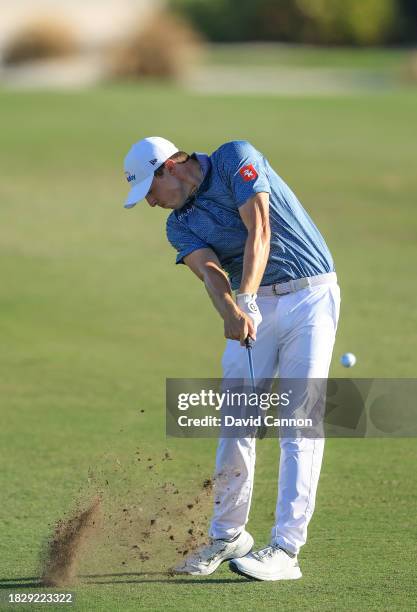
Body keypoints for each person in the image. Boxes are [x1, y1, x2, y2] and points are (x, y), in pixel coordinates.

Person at [122, 136, 340, 581]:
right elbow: (209, 270)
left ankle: (285, 549)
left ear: (168, 168)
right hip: (253, 304)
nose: (149, 203)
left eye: (149, 190)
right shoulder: (178, 225)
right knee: (237, 420)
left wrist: (247, 298)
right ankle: (228, 534)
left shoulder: (234, 158)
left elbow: (260, 226)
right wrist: (231, 310)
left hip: (310, 296)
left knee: (299, 423)